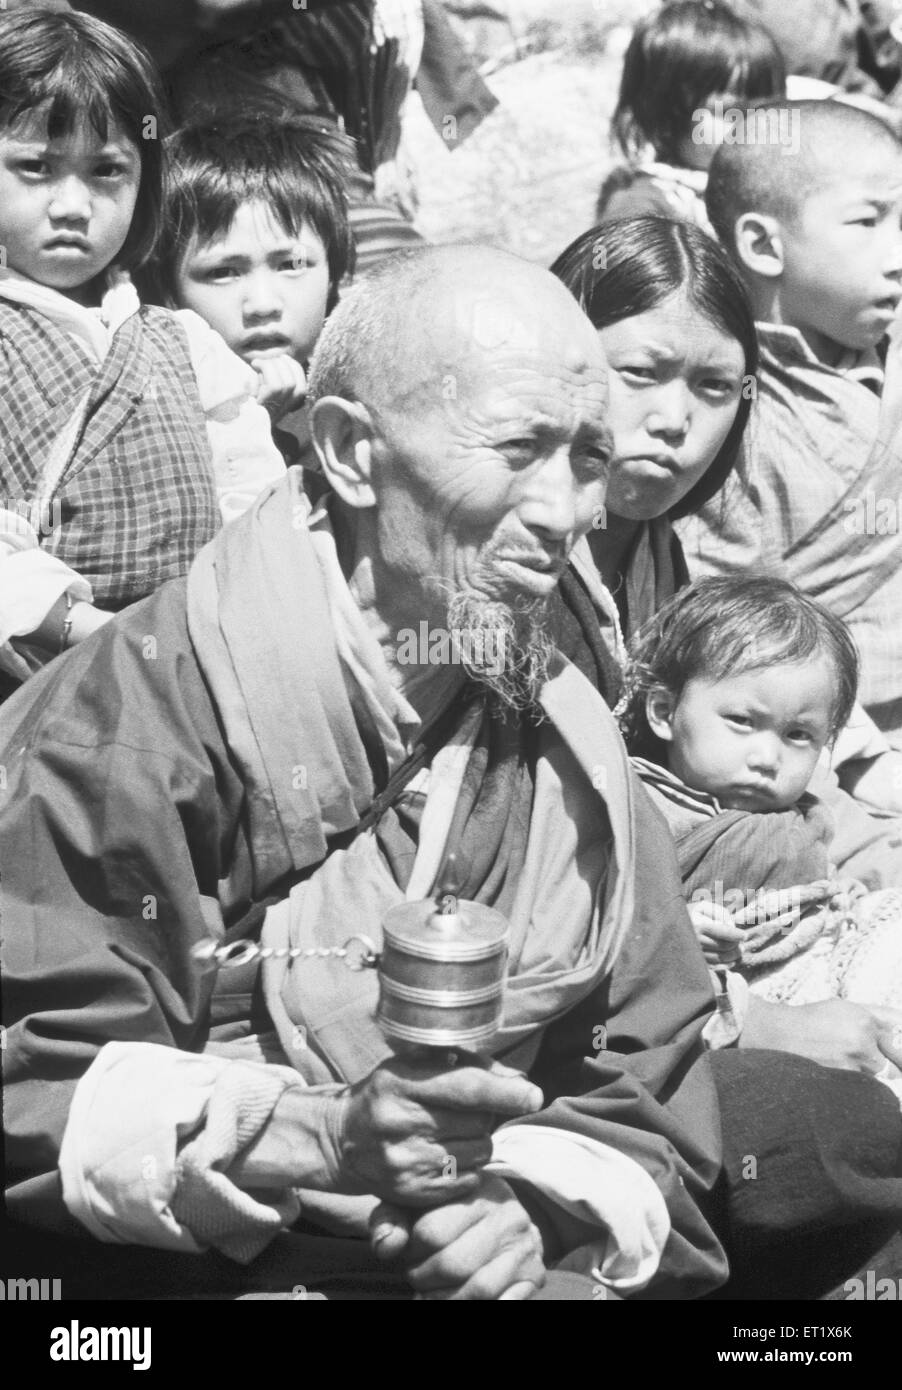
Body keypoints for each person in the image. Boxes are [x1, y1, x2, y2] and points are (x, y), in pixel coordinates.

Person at [4, 243, 902, 1302]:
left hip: (480, 1224)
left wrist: (531, 1211)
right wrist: (314, 1132)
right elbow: (39, 1080)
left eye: (585, 458)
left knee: (839, 1137)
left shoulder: (559, 725)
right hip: (211, 1241)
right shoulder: (132, 718)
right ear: (346, 451)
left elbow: (635, 1063)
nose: (568, 511)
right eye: (521, 447)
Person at [551, 215, 902, 821]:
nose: (673, 419)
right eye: (639, 373)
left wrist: (862, 765)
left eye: (714, 386)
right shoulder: (494, 556)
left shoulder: (662, 555)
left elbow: (753, 672)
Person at [0, 10, 285, 691]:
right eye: (36, 167)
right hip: (38, 672)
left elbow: (254, 490)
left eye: (106, 171)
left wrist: (240, 615)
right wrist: (85, 627)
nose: (73, 204)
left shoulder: (182, 339)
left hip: (197, 667)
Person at [678, 99, 902, 755]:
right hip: (849, 738)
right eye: (868, 221)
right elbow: (736, 641)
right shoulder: (732, 421)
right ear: (762, 245)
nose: (898, 254)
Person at [621, 575, 902, 1044]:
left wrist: (834, 893)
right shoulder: (635, 807)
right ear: (665, 712)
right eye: (742, 722)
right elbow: (603, 922)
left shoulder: (805, 814)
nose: (768, 759)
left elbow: (836, 875)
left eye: (798, 735)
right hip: (721, 1004)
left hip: (818, 962)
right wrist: (672, 933)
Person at [146, 112, 357, 465]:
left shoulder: (363, 407)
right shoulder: (151, 413)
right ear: (168, 291)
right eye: (223, 272)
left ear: (334, 274)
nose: (262, 305)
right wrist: (250, 428)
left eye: (292, 265)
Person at [595, 0, 786, 230]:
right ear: (668, 117)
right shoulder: (645, 203)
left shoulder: (761, 178)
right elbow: (600, 259)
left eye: (769, 110)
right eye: (731, 113)